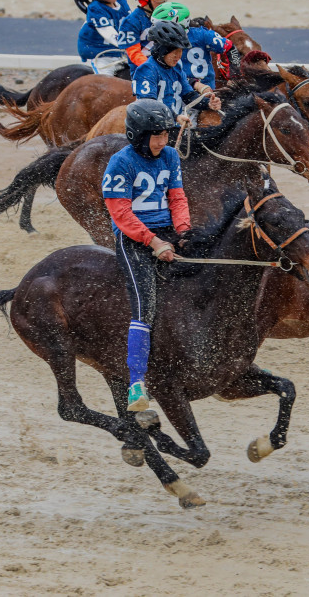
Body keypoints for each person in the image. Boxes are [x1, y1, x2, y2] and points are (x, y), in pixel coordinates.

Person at [102, 99, 192, 411]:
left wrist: (183, 231)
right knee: (146, 306)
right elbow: (121, 215)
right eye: (156, 136)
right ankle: (136, 384)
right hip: (134, 241)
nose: (163, 141)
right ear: (137, 135)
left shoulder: (169, 155)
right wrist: (154, 243)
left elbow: (177, 196)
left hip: (166, 231)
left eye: (165, 135)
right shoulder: (119, 163)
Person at [130, 20, 221, 126]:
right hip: (154, 127)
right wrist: (175, 117)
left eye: (181, 50)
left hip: (174, 124)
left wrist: (208, 103)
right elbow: (149, 105)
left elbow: (189, 96)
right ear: (162, 50)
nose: (178, 55)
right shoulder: (146, 70)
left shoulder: (177, 67)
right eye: (175, 51)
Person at [149, 2, 235, 92]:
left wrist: (233, 77)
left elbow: (230, 47)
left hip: (204, 91)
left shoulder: (203, 35)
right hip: (179, 89)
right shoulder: (161, 41)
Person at [75, 0, 131, 75]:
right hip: (99, 54)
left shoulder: (123, 4)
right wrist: (129, 44)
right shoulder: (96, 9)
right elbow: (108, 33)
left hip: (118, 53)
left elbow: (132, 25)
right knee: (106, 83)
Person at [117, 0, 172, 69]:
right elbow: (134, 54)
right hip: (143, 71)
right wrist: (153, 68)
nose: (163, 1)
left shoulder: (167, 16)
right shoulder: (131, 22)